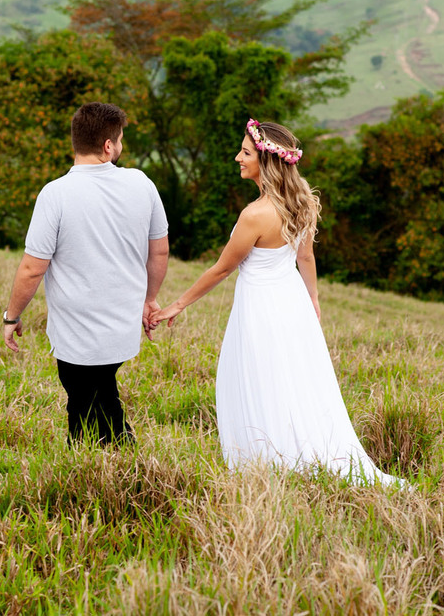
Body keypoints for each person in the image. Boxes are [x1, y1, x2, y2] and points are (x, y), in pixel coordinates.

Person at [153, 119, 403, 485]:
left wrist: (177, 305)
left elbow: (222, 269)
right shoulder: (302, 203)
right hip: (293, 303)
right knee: (294, 380)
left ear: (266, 161)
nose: (238, 157)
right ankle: (295, 455)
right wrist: (313, 299)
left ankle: (269, 460)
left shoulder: (255, 214)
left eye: (245, 152)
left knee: (260, 380)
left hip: (261, 310)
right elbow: (306, 257)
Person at [3, 102, 169, 446]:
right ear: (108, 146)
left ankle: (99, 451)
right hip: (122, 323)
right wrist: (149, 299)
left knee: (83, 397)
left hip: (75, 329)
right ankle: (109, 451)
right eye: (120, 140)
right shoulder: (141, 184)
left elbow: (33, 268)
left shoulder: (55, 194)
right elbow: (160, 251)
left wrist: (12, 316)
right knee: (96, 389)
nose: (120, 146)